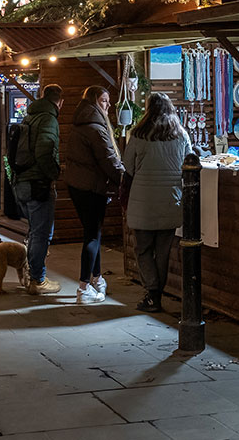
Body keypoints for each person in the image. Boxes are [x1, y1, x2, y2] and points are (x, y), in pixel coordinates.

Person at [122, 93, 194, 313]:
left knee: (143, 249)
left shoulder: (139, 134)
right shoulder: (181, 135)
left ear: (148, 109)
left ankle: (152, 292)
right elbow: (190, 162)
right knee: (163, 252)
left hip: (143, 204)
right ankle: (156, 295)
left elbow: (128, 167)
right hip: (170, 201)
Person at [66, 85, 124, 304]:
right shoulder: (96, 128)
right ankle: (83, 287)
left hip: (78, 186)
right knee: (92, 235)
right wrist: (124, 181)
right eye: (103, 101)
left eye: (108, 101)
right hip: (92, 188)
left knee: (93, 234)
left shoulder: (80, 123)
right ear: (93, 101)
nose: (108, 105)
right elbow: (109, 159)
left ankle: (97, 279)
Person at [14, 84, 64, 295]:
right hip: (38, 183)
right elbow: (45, 151)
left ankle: (31, 275)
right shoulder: (48, 119)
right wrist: (55, 173)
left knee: (34, 231)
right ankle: (37, 280)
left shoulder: (29, 117)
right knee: (41, 234)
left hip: (22, 182)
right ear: (60, 101)